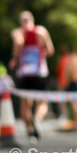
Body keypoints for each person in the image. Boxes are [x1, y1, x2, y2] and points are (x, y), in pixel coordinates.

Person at [10, 11, 54, 142]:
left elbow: (18, 43)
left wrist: (15, 58)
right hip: (39, 72)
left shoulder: (18, 32)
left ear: (20, 22)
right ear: (32, 20)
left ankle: (30, 131)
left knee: (25, 104)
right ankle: (37, 119)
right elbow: (51, 51)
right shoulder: (41, 31)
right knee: (42, 102)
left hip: (24, 73)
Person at [58, 45, 77, 131]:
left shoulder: (72, 59)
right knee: (75, 103)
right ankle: (75, 121)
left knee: (74, 103)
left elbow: (70, 71)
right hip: (75, 82)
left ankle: (76, 122)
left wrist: (67, 80)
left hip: (72, 83)